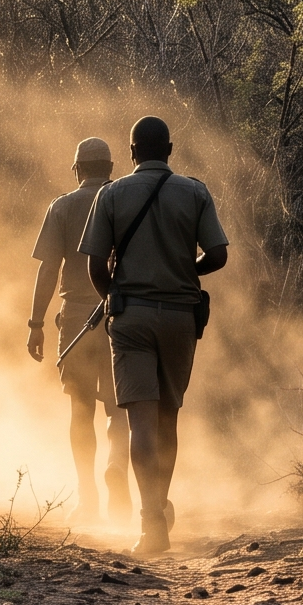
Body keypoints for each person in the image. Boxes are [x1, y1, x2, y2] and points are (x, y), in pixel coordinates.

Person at [78, 115, 228, 555]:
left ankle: (151, 525)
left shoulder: (111, 194)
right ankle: (160, 504)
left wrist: (115, 299)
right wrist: (185, 273)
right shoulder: (195, 192)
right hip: (181, 318)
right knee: (168, 418)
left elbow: (93, 266)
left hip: (132, 320)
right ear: (171, 149)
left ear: (131, 153)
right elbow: (217, 255)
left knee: (139, 422)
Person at [28, 137, 132, 523]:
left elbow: (48, 269)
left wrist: (36, 323)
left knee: (80, 407)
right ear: (111, 167)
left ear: (77, 170)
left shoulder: (62, 207)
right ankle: (117, 467)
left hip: (75, 320)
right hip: (121, 314)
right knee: (119, 405)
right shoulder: (125, 200)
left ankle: (87, 497)